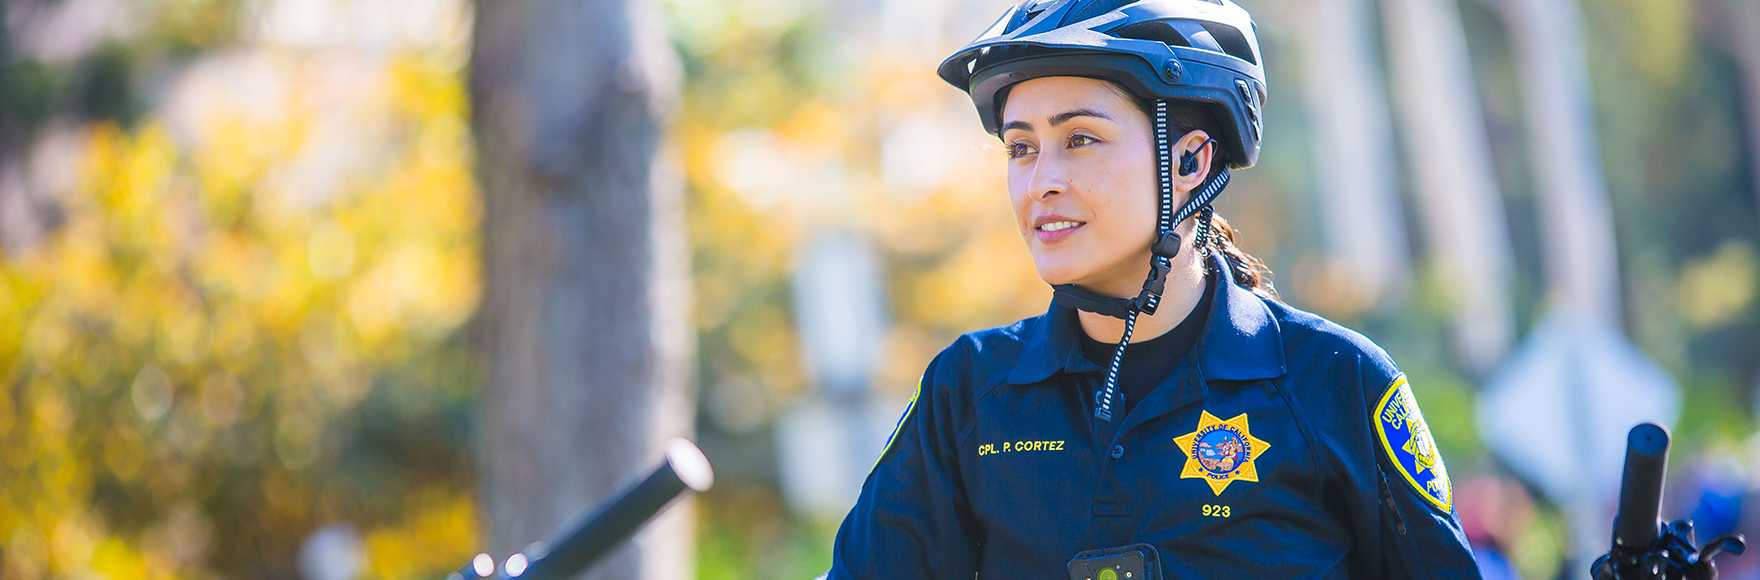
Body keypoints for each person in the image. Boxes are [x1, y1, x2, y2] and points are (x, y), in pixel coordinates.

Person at [823, 0, 1480, 578]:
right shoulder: (968, 390)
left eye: (1079, 139)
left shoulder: (1334, 378)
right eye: (1021, 148)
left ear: (1190, 161)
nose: (1040, 181)